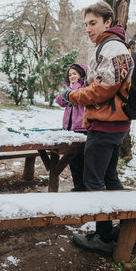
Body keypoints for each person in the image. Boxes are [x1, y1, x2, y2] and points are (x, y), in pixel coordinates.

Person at [60, 1, 136, 255]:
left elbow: (103, 89)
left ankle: (104, 238)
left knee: (93, 181)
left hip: (106, 126)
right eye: (85, 24)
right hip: (114, 125)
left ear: (108, 22)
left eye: (92, 23)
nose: (87, 28)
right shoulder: (109, 46)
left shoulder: (113, 48)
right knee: (109, 177)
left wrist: (73, 96)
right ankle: (128, 233)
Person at [55, 63, 87, 192]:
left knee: (83, 159)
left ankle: (86, 186)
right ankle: (78, 185)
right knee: (72, 159)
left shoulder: (84, 87)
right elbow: (60, 102)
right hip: (69, 128)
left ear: (81, 75)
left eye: (75, 74)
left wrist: (73, 88)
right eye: (70, 75)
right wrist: (65, 92)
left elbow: (80, 98)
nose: (72, 76)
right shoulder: (68, 88)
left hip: (82, 128)